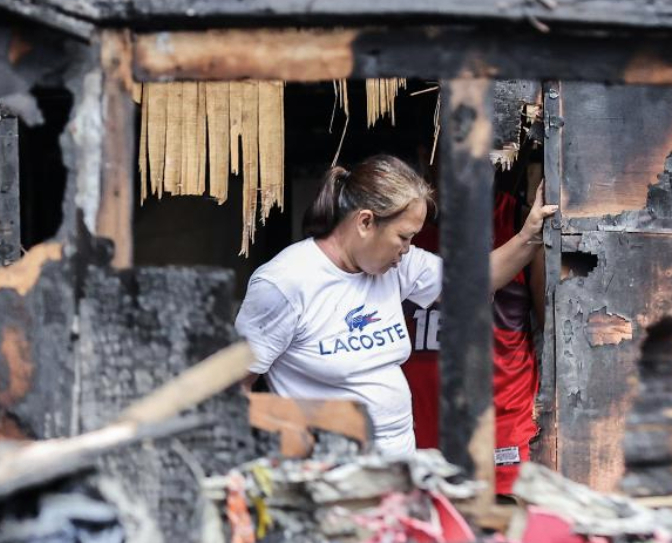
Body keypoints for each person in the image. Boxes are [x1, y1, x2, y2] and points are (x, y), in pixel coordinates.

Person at [235, 154, 556, 455]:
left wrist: (529, 235)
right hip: (326, 473)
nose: (408, 248)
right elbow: (233, 391)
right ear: (365, 222)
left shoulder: (397, 267)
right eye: (403, 237)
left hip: (397, 464)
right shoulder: (284, 284)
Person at [402, 178, 540, 495]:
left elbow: (556, 326)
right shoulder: (405, 228)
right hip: (416, 421)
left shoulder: (518, 219)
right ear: (428, 158)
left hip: (499, 420)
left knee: (501, 527)